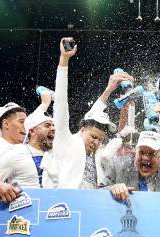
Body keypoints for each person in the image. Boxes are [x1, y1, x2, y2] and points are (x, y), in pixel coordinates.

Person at [53, 37, 129, 190]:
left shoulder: (97, 155)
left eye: (100, 139)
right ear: (82, 130)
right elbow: (61, 101)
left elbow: (93, 116)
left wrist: (110, 89)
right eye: (94, 137)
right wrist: (64, 60)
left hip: (88, 209)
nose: (96, 142)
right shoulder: (66, 141)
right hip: (66, 207)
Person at [102, 131, 160, 200]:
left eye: (151, 153)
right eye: (141, 152)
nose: (145, 158)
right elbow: (99, 190)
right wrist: (112, 189)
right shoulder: (118, 166)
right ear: (135, 152)